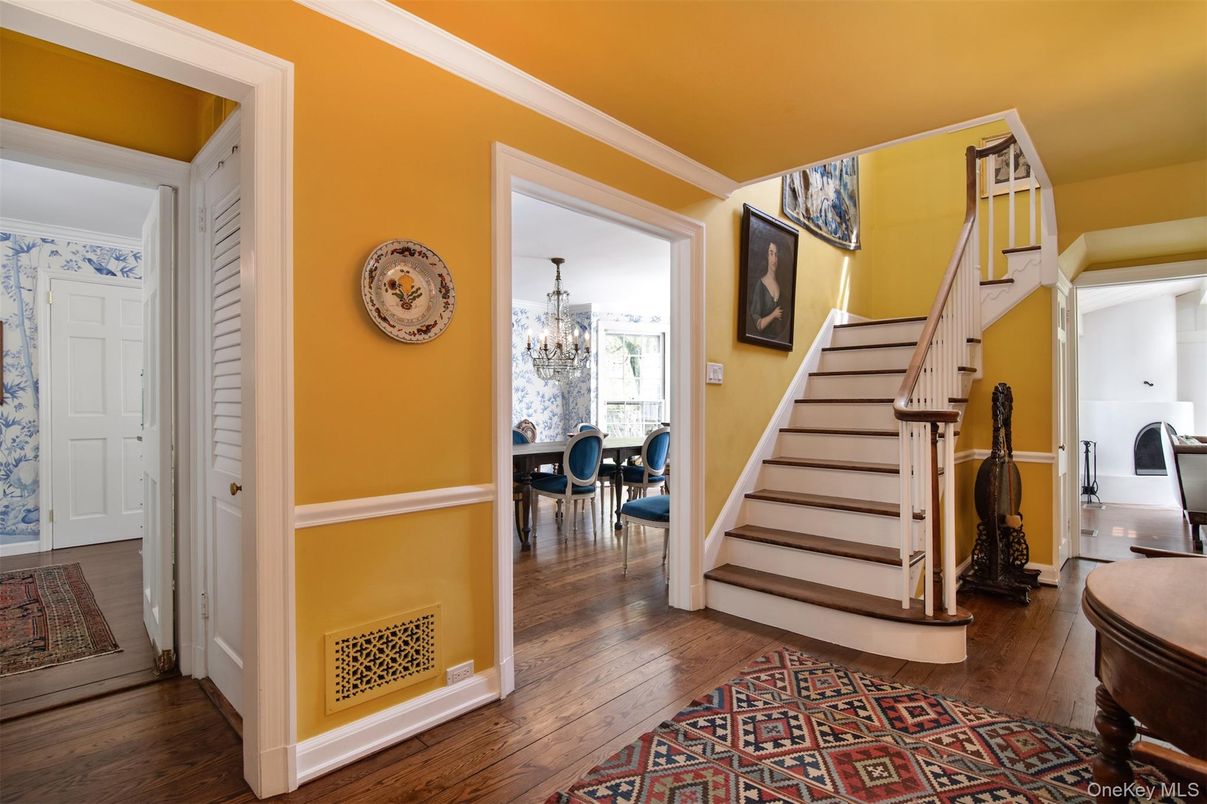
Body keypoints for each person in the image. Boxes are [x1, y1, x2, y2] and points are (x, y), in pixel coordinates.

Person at [748, 240, 787, 340]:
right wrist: (773, 315)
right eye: (771, 253)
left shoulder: (782, 289)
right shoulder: (760, 285)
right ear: (767, 256)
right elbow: (758, 325)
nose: (774, 258)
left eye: (776, 254)